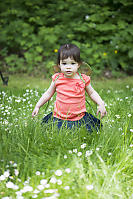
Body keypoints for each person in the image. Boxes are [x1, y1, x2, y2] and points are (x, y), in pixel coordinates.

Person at [32, 44, 107, 132]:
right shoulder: (57, 78)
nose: (68, 67)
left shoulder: (83, 79)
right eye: (64, 63)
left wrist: (100, 104)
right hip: (59, 117)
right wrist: (37, 106)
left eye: (72, 63)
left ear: (78, 64)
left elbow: (92, 93)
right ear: (59, 65)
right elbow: (48, 93)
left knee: (86, 131)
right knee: (55, 131)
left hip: (79, 117)